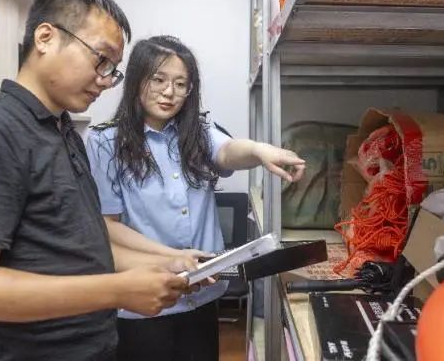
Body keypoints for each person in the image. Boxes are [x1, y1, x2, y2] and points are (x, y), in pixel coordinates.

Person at [0, 0, 196, 361]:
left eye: (113, 69)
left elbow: (79, 248)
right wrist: (119, 290)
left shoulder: (62, 130)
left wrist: (164, 264)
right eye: (100, 59)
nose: (105, 81)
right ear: (45, 38)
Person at [86, 35, 306, 361]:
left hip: (201, 296)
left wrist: (260, 151)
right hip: (144, 299)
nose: (169, 92)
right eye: (158, 79)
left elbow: (228, 151)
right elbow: (108, 225)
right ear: (136, 80)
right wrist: (173, 258)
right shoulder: (106, 141)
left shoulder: (198, 131)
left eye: (180, 84)